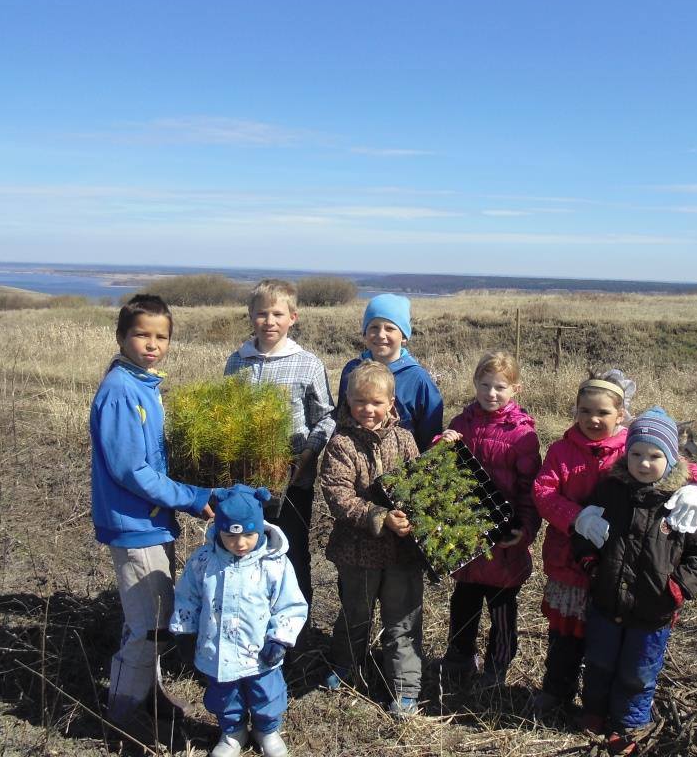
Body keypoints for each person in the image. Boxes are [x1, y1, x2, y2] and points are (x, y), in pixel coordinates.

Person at [532, 370, 697, 715]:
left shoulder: (630, 448)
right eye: (584, 411)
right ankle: (557, 691)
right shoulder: (561, 449)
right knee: (565, 637)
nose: (593, 419)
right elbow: (543, 491)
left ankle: (606, 704)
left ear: (621, 415)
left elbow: (678, 463)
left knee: (606, 640)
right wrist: (576, 517)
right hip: (570, 562)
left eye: (602, 412)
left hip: (622, 568)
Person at [89, 294, 217, 734]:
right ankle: (123, 716)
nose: (152, 344)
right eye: (141, 334)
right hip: (134, 523)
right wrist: (189, 496)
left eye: (161, 336)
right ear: (121, 336)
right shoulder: (122, 391)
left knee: (153, 618)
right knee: (149, 626)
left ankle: (149, 694)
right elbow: (132, 470)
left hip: (151, 520)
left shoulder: (142, 385)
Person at [572, 408, 697, 754]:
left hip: (653, 610)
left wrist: (678, 587)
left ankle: (627, 727)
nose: (643, 463)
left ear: (670, 458)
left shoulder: (680, 502)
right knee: (599, 660)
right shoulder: (610, 491)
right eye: (637, 453)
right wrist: (592, 565)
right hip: (607, 601)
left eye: (655, 456)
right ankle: (594, 711)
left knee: (639, 672)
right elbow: (586, 531)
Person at [170, 485, 308, 757]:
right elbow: (188, 597)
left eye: (249, 534)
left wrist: (279, 638)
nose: (240, 543)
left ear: (260, 527)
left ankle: (266, 729)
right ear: (220, 530)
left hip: (259, 653)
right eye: (232, 536)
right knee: (224, 696)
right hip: (217, 650)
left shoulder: (273, 563)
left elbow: (290, 604)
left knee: (266, 695)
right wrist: (185, 632)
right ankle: (233, 731)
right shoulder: (203, 561)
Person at [319, 360, 423, 717]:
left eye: (376, 402)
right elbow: (338, 495)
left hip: (402, 555)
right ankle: (347, 668)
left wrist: (410, 519)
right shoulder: (341, 444)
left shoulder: (406, 440)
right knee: (355, 614)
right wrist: (379, 517)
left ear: (391, 403)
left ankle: (405, 687)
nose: (368, 409)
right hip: (357, 552)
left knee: (402, 620)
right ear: (347, 402)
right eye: (360, 401)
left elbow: (419, 487)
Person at [225, 279, 335, 611]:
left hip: (293, 482)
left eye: (277, 314)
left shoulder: (307, 363)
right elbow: (225, 414)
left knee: (292, 554)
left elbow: (326, 417)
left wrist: (307, 454)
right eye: (261, 314)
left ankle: (296, 634)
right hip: (246, 482)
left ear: (293, 318)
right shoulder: (238, 361)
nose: (269, 321)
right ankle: (252, 622)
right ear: (250, 316)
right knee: (247, 550)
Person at [435, 352, 542, 687]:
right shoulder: (461, 423)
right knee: (463, 601)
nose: (491, 393)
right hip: (466, 536)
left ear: (515, 389)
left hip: (503, 540)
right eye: (485, 385)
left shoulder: (522, 435)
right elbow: (442, 470)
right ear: (475, 385)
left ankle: (498, 664)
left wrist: (524, 530)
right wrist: (442, 442)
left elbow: (529, 490)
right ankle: (459, 656)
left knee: (502, 606)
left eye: (500, 387)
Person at [337, 293, 443, 451]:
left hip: (402, 464)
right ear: (365, 333)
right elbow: (343, 416)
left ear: (404, 336)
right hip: (354, 457)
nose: (380, 335)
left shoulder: (418, 379)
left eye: (390, 328)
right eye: (373, 327)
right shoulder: (352, 370)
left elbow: (430, 435)